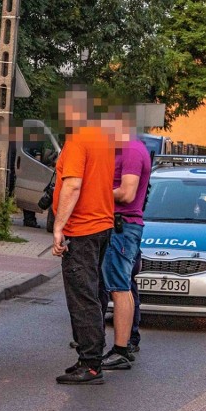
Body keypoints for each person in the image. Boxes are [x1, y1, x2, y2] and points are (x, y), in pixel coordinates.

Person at [52, 90, 116, 385]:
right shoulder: (102, 138)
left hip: (82, 228)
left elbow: (73, 185)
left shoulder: (78, 140)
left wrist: (59, 226)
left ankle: (91, 364)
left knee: (82, 296)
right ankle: (88, 358)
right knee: (93, 292)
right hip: (102, 225)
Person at [99, 112, 152, 370]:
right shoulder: (127, 148)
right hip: (122, 226)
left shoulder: (131, 150)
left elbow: (127, 192)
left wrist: (95, 195)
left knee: (119, 287)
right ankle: (127, 342)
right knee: (124, 284)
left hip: (122, 226)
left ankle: (121, 349)